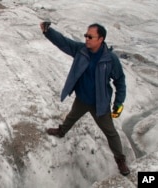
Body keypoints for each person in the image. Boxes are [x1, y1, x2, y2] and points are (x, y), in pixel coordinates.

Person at [40, 22, 130, 176]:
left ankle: (120, 160)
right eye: (85, 36)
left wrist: (119, 102)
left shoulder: (110, 59)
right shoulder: (81, 50)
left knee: (111, 132)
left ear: (100, 39)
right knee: (71, 117)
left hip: (99, 104)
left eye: (90, 36)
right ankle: (62, 131)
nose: (86, 39)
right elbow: (63, 42)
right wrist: (48, 31)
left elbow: (120, 81)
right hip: (82, 98)